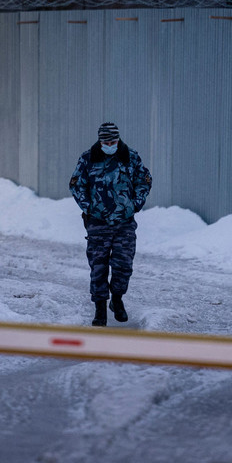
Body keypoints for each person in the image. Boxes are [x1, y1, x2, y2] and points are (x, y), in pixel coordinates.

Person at [69, 122, 153, 326]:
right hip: (98, 222)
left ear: (118, 139)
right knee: (98, 266)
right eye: (105, 141)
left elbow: (145, 180)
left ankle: (117, 300)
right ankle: (100, 309)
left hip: (124, 222)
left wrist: (135, 204)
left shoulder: (130, 157)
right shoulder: (88, 158)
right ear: (100, 140)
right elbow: (76, 184)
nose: (109, 144)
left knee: (123, 265)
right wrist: (88, 207)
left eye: (113, 141)